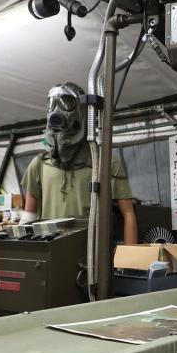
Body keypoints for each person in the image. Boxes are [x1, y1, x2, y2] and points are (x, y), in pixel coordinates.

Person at [20, 82, 138, 245]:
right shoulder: (39, 164)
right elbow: (28, 215)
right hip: (49, 253)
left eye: (66, 103)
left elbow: (128, 214)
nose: (57, 110)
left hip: (93, 255)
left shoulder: (103, 162)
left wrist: (129, 262)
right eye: (51, 103)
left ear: (82, 112)